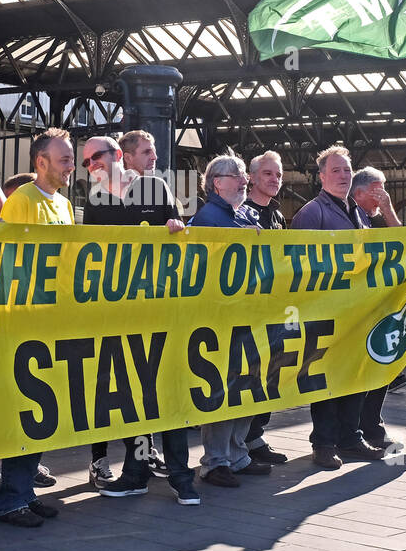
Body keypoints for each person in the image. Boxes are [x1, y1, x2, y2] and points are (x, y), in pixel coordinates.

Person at [79, 135, 200, 505]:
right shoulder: (95, 199)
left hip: (162, 310)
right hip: (120, 315)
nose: (90, 167)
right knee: (135, 395)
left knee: (168, 390)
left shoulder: (156, 187)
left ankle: (181, 475)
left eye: (94, 159)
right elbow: (89, 254)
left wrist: (177, 229)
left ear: (117, 156)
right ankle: (136, 471)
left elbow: (181, 232)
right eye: (85, 162)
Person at [0, 128, 76, 527]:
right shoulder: (21, 202)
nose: (71, 165)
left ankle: (22, 492)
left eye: (71, 157)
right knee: (26, 410)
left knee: (42, 411)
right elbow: (6, 262)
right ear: (40, 162)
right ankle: (9, 499)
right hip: (24, 323)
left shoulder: (65, 204)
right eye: (64, 159)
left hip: (51, 322)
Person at [291, 147, 386, 469]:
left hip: (355, 313)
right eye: (336, 171)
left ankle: (350, 437)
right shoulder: (311, 212)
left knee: (354, 377)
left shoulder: (357, 212)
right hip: (324, 314)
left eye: (347, 170)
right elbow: (296, 265)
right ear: (321, 176)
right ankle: (324, 443)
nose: (343, 175)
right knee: (327, 380)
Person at [188, 151, 272, 487]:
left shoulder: (245, 213)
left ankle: (237, 454)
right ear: (215, 183)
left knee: (246, 387)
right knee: (226, 389)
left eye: (243, 175)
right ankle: (216, 460)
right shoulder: (208, 218)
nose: (244, 181)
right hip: (223, 318)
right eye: (236, 175)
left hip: (246, 315)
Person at [349, 166, 406, 450]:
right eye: (379, 191)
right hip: (356, 309)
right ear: (360, 193)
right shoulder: (352, 216)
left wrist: (387, 208)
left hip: (375, 307)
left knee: (377, 368)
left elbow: (402, 240)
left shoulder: (372, 219)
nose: (384, 196)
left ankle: (371, 424)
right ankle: (362, 427)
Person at [240, 151, 289, 466]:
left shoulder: (278, 216)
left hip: (274, 309)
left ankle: (256, 436)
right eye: (268, 174)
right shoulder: (241, 212)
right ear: (252, 178)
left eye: (278, 175)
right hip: (247, 310)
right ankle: (242, 440)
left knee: (270, 374)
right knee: (247, 375)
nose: (275, 180)